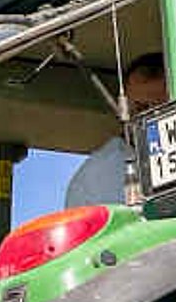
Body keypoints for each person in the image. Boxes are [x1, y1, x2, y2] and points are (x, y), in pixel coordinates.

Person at [65, 53, 169, 208]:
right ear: (123, 109)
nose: (151, 117)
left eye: (163, 108)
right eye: (141, 108)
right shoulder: (92, 179)